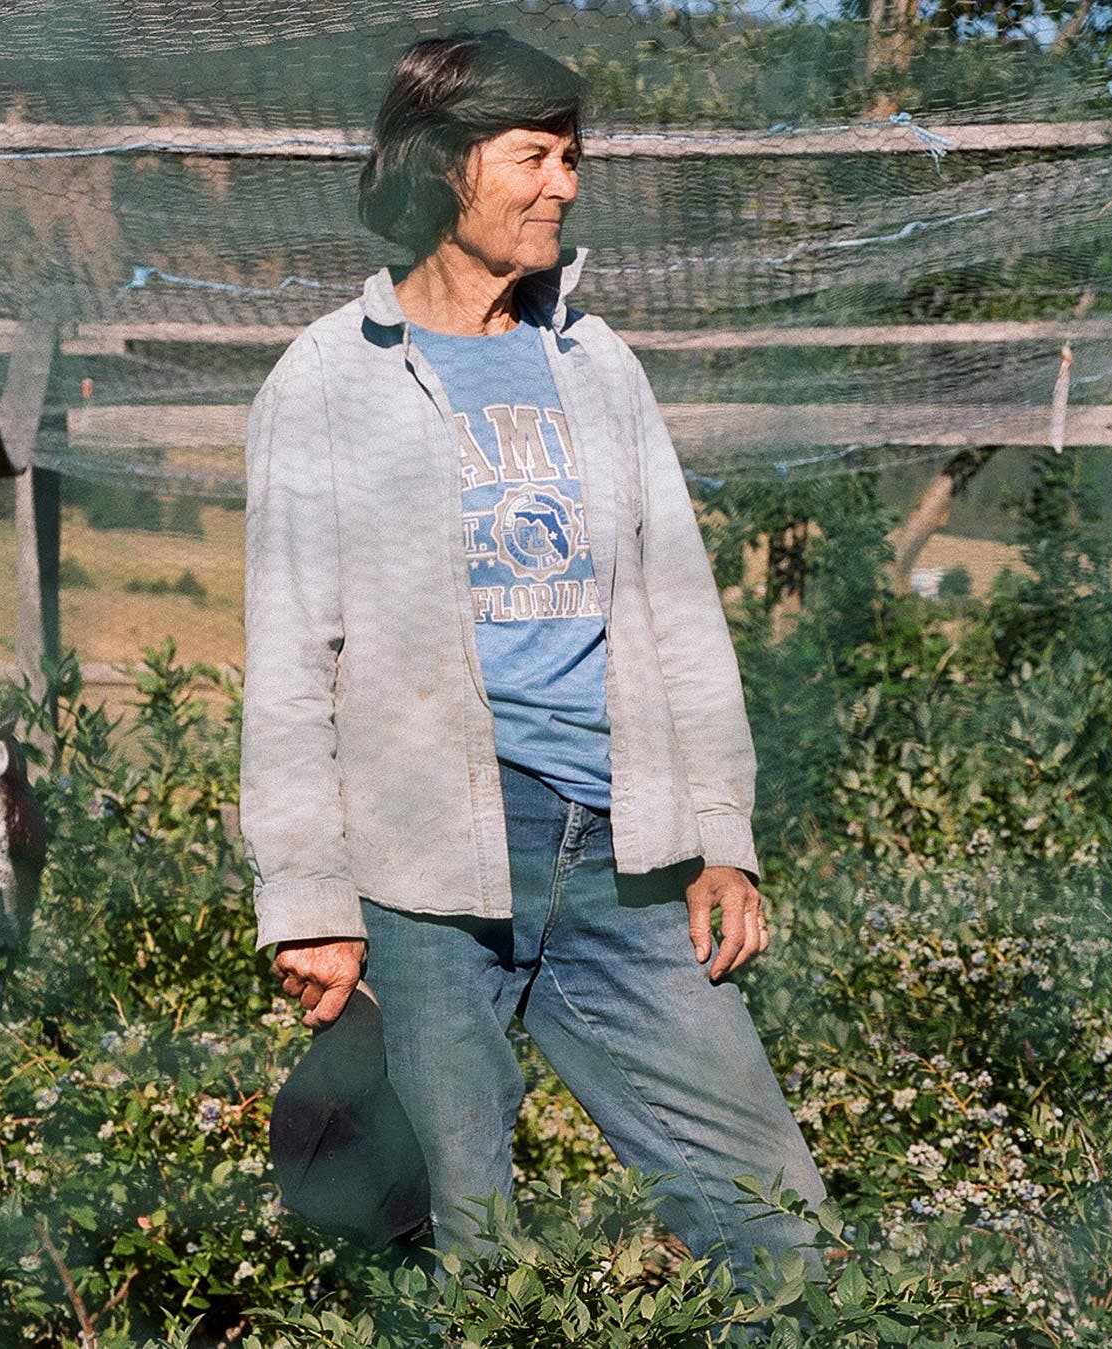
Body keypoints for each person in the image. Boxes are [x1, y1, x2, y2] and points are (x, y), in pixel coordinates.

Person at [241, 29, 828, 1287]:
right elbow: (291, 657)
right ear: (445, 165)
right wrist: (308, 901)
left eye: (573, 158)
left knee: (773, 1214)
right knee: (467, 1239)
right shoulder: (329, 383)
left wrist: (721, 832)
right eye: (535, 155)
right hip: (425, 872)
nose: (564, 183)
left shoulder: (598, 367)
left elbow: (679, 612)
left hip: (619, 848)